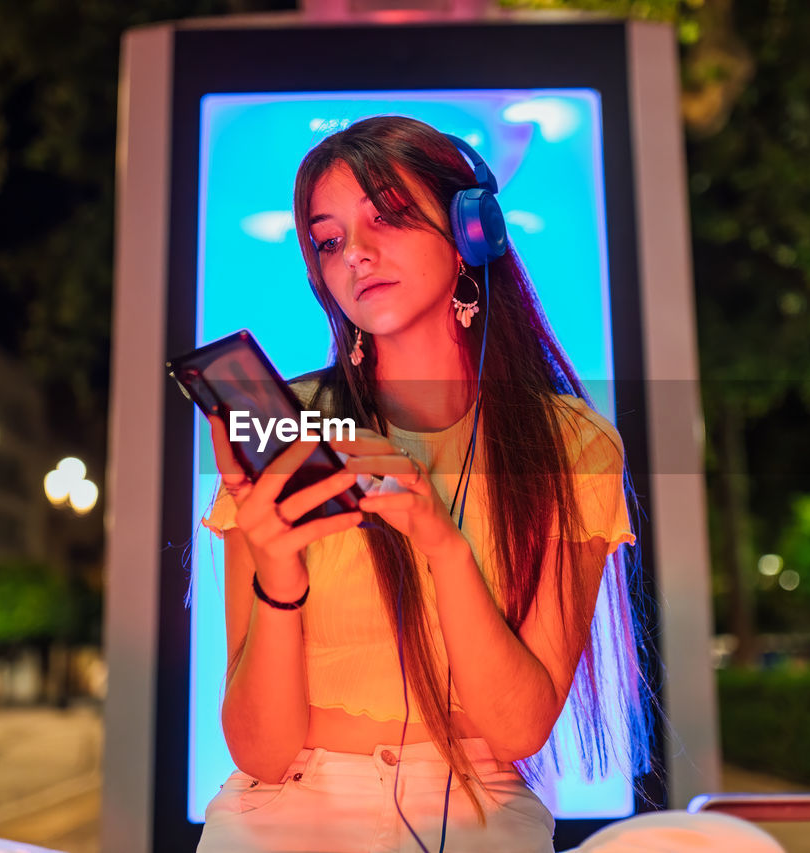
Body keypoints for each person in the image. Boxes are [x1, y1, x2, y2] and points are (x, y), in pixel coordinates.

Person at [194, 116, 756, 853]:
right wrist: (275, 571)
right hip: (284, 809)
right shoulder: (292, 428)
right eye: (330, 240)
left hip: (476, 806)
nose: (357, 254)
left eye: (387, 217)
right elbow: (260, 752)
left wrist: (443, 545)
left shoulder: (569, 444)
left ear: (472, 231)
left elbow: (519, 726)